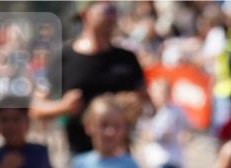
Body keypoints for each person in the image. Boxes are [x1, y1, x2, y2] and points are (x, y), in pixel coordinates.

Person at [31, 0, 147, 156]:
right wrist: (63, 107)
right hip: (79, 155)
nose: (112, 17)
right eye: (106, 10)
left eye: (114, 11)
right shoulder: (65, 56)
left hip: (120, 155)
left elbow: (146, 99)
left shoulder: (126, 58)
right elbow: (36, 108)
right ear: (86, 14)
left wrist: (134, 102)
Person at [143, 77, 191, 168]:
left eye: (164, 92)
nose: (160, 96)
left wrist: (185, 136)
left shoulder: (175, 111)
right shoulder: (148, 111)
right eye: (157, 93)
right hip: (158, 156)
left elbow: (187, 127)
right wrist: (149, 136)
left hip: (174, 155)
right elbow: (143, 130)